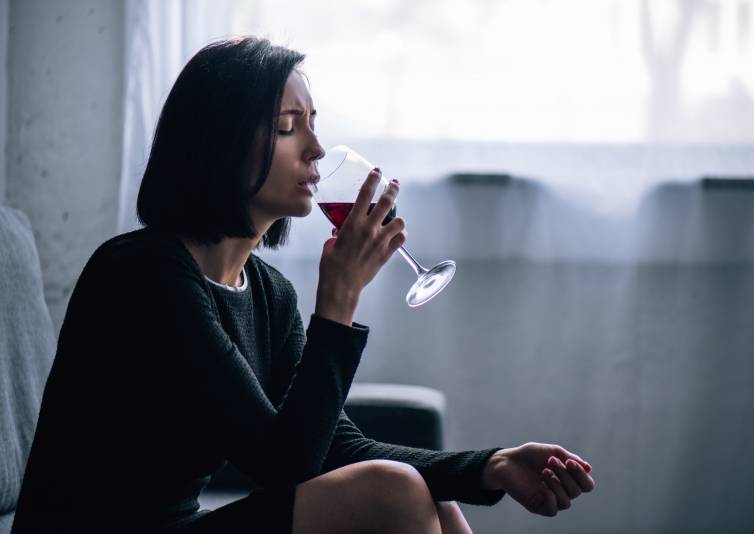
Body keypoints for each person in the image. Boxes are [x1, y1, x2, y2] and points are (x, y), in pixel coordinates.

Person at [11, 37, 595, 534]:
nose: (316, 149)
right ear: (219, 141)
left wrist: (489, 465)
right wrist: (338, 302)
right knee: (393, 490)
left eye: (312, 125)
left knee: (427, 486)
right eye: (289, 127)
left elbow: (334, 449)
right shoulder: (142, 278)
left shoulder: (264, 292)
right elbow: (284, 465)